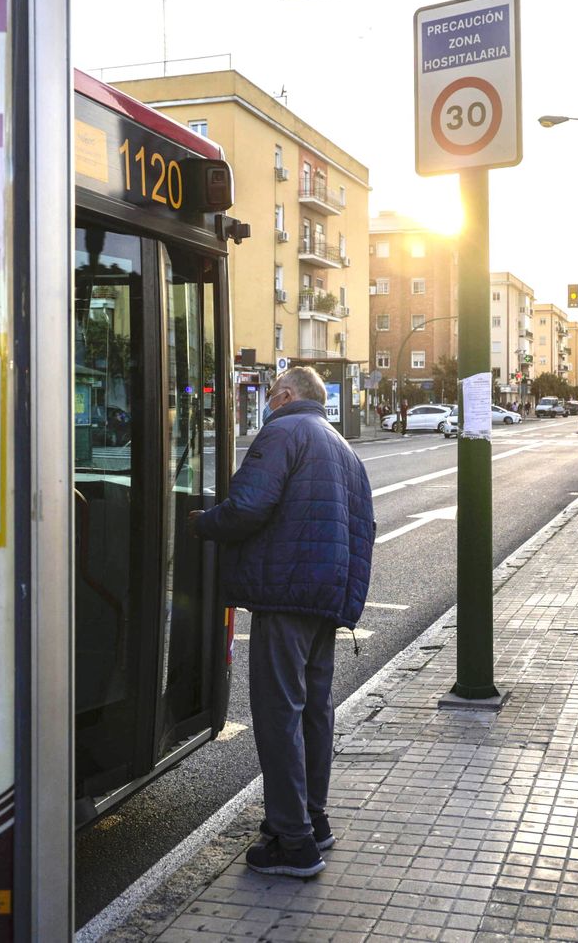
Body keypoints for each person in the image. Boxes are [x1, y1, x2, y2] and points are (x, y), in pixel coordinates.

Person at [190, 366, 375, 878]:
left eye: (271, 394)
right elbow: (365, 527)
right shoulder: (341, 445)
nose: (268, 402)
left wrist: (201, 524)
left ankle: (293, 843)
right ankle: (314, 820)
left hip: (286, 593)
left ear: (287, 395)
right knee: (315, 711)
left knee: (278, 716)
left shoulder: (283, 431)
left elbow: (248, 506)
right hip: (326, 599)